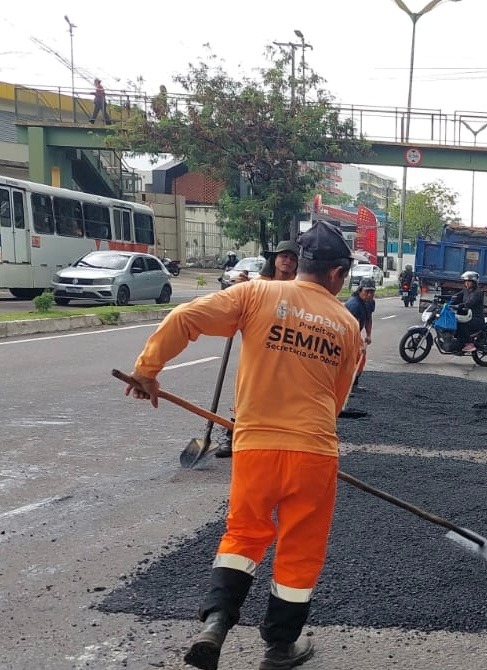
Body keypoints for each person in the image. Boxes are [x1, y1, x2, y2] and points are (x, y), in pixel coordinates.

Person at [123, 220, 360, 670]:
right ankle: (279, 647)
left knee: (244, 534)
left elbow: (184, 317)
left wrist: (147, 371)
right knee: (299, 549)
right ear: (336, 274)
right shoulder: (347, 325)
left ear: (301, 264)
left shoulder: (257, 294)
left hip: (255, 447)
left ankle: (215, 622)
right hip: (313, 450)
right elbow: (338, 399)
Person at [216, 240, 301, 458]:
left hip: (286, 344)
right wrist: (240, 288)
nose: (288, 261)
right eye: (284, 257)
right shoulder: (259, 283)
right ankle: (232, 433)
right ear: (275, 259)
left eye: (292, 258)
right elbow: (237, 298)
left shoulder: (299, 287)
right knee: (248, 390)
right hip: (259, 343)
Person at [344, 278, 376, 391]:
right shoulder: (354, 305)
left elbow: (368, 319)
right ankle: (346, 386)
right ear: (360, 290)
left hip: (355, 333)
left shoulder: (370, 303)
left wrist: (368, 334)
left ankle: (354, 384)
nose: (369, 294)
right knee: (351, 358)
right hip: (345, 334)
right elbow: (353, 329)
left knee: (360, 359)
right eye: (367, 291)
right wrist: (360, 345)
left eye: (372, 292)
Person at [450, 270, 485, 353]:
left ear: (474, 282)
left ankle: (470, 343)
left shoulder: (477, 292)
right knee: (455, 322)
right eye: (466, 281)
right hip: (467, 315)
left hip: (476, 318)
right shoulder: (466, 290)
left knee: (461, 324)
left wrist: (459, 306)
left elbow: (470, 303)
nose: (467, 283)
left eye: (469, 281)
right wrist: (442, 299)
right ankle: (458, 344)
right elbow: (456, 296)